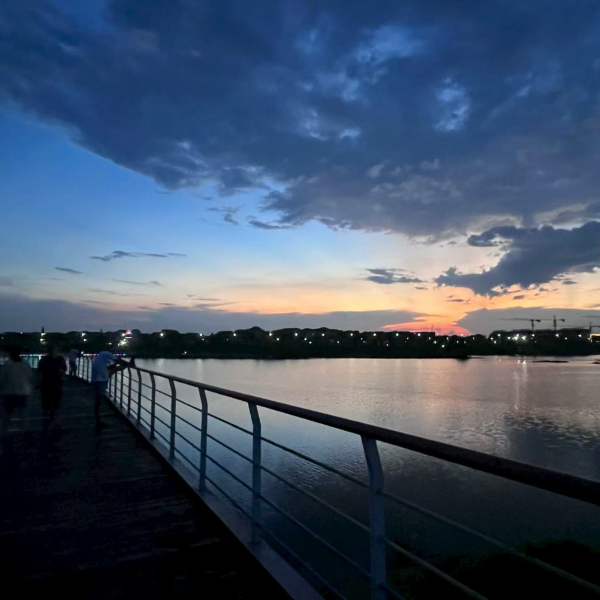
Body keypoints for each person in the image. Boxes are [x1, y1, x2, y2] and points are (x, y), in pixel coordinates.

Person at [0, 347, 33, 449]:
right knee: (23, 414)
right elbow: (30, 377)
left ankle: (5, 434)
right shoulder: (26, 364)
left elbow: (2, 379)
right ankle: (25, 433)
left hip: (9, 392)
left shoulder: (7, 365)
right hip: (23, 392)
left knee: (7, 416)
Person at [91, 351, 126, 428]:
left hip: (96, 379)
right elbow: (118, 361)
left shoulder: (101, 356)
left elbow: (108, 366)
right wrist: (125, 363)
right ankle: (98, 421)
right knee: (98, 401)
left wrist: (116, 364)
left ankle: (98, 420)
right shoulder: (107, 354)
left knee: (98, 400)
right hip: (101, 379)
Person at [37, 347, 67, 420]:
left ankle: (46, 414)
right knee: (56, 398)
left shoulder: (43, 359)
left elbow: (40, 370)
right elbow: (63, 369)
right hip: (57, 381)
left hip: (46, 381)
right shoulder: (60, 359)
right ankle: (54, 414)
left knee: (46, 398)